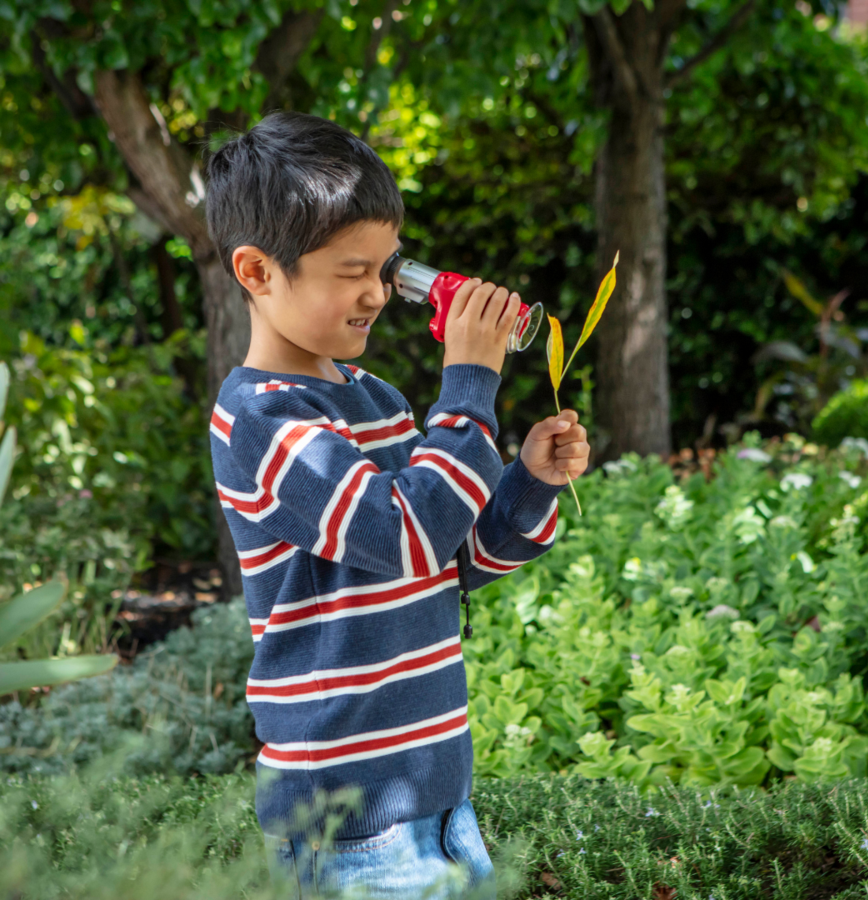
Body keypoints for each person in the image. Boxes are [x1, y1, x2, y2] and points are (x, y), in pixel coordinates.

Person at [205, 111, 590, 899]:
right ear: (257, 271)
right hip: (348, 826)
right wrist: (471, 386)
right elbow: (404, 534)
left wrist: (526, 480)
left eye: (388, 268)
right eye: (353, 271)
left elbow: (445, 561)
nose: (379, 293)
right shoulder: (261, 420)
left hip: (439, 797)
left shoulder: (375, 399)